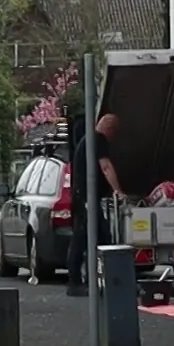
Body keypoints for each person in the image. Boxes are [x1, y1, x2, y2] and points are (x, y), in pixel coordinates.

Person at [65, 112, 124, 297]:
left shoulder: (87, 141)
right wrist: (118, 190)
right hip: (85, 198)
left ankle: (98, 279)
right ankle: (75, 282)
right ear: (110, 129)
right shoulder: (97, 141)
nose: (114, 138)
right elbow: (105, 167)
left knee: (98, 237)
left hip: (85, 196)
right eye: (115, 132)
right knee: (84, 238)